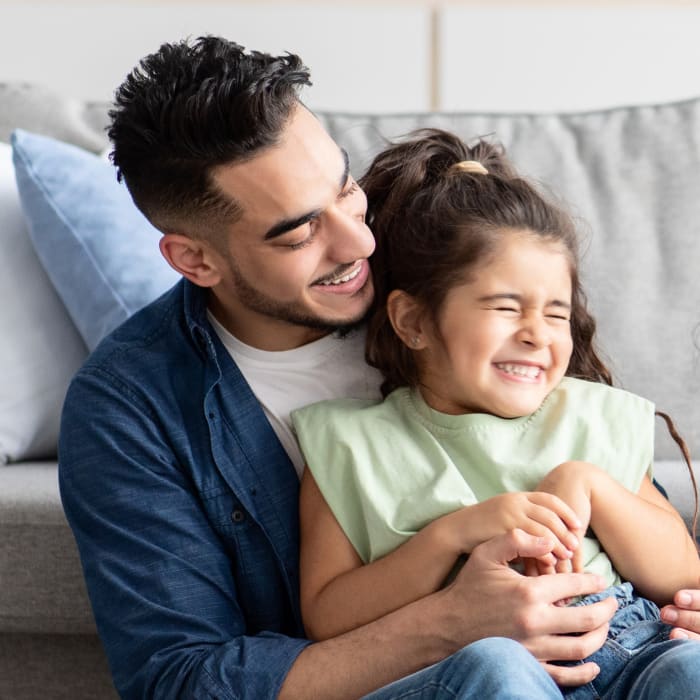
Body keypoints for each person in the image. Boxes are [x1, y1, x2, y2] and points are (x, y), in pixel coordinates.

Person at [55, 35, 700, 699]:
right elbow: (182, 682)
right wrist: (452, 621)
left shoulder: (440, 257)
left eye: (345, 188)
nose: (360, 242)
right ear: (196, 260)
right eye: (301, 231)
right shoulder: (130, 409)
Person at [291, 129, 700, 698]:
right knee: (498, 668)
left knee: (690, 667)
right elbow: (327, 616)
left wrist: (590, 487)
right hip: (472, 667)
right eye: (506, 308)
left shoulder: (590, 417)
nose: (536, 334)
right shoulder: (351, 444)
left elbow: (684, 574)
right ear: (412, 321)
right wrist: (450, 536)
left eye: (556, 314)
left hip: (629, 648)